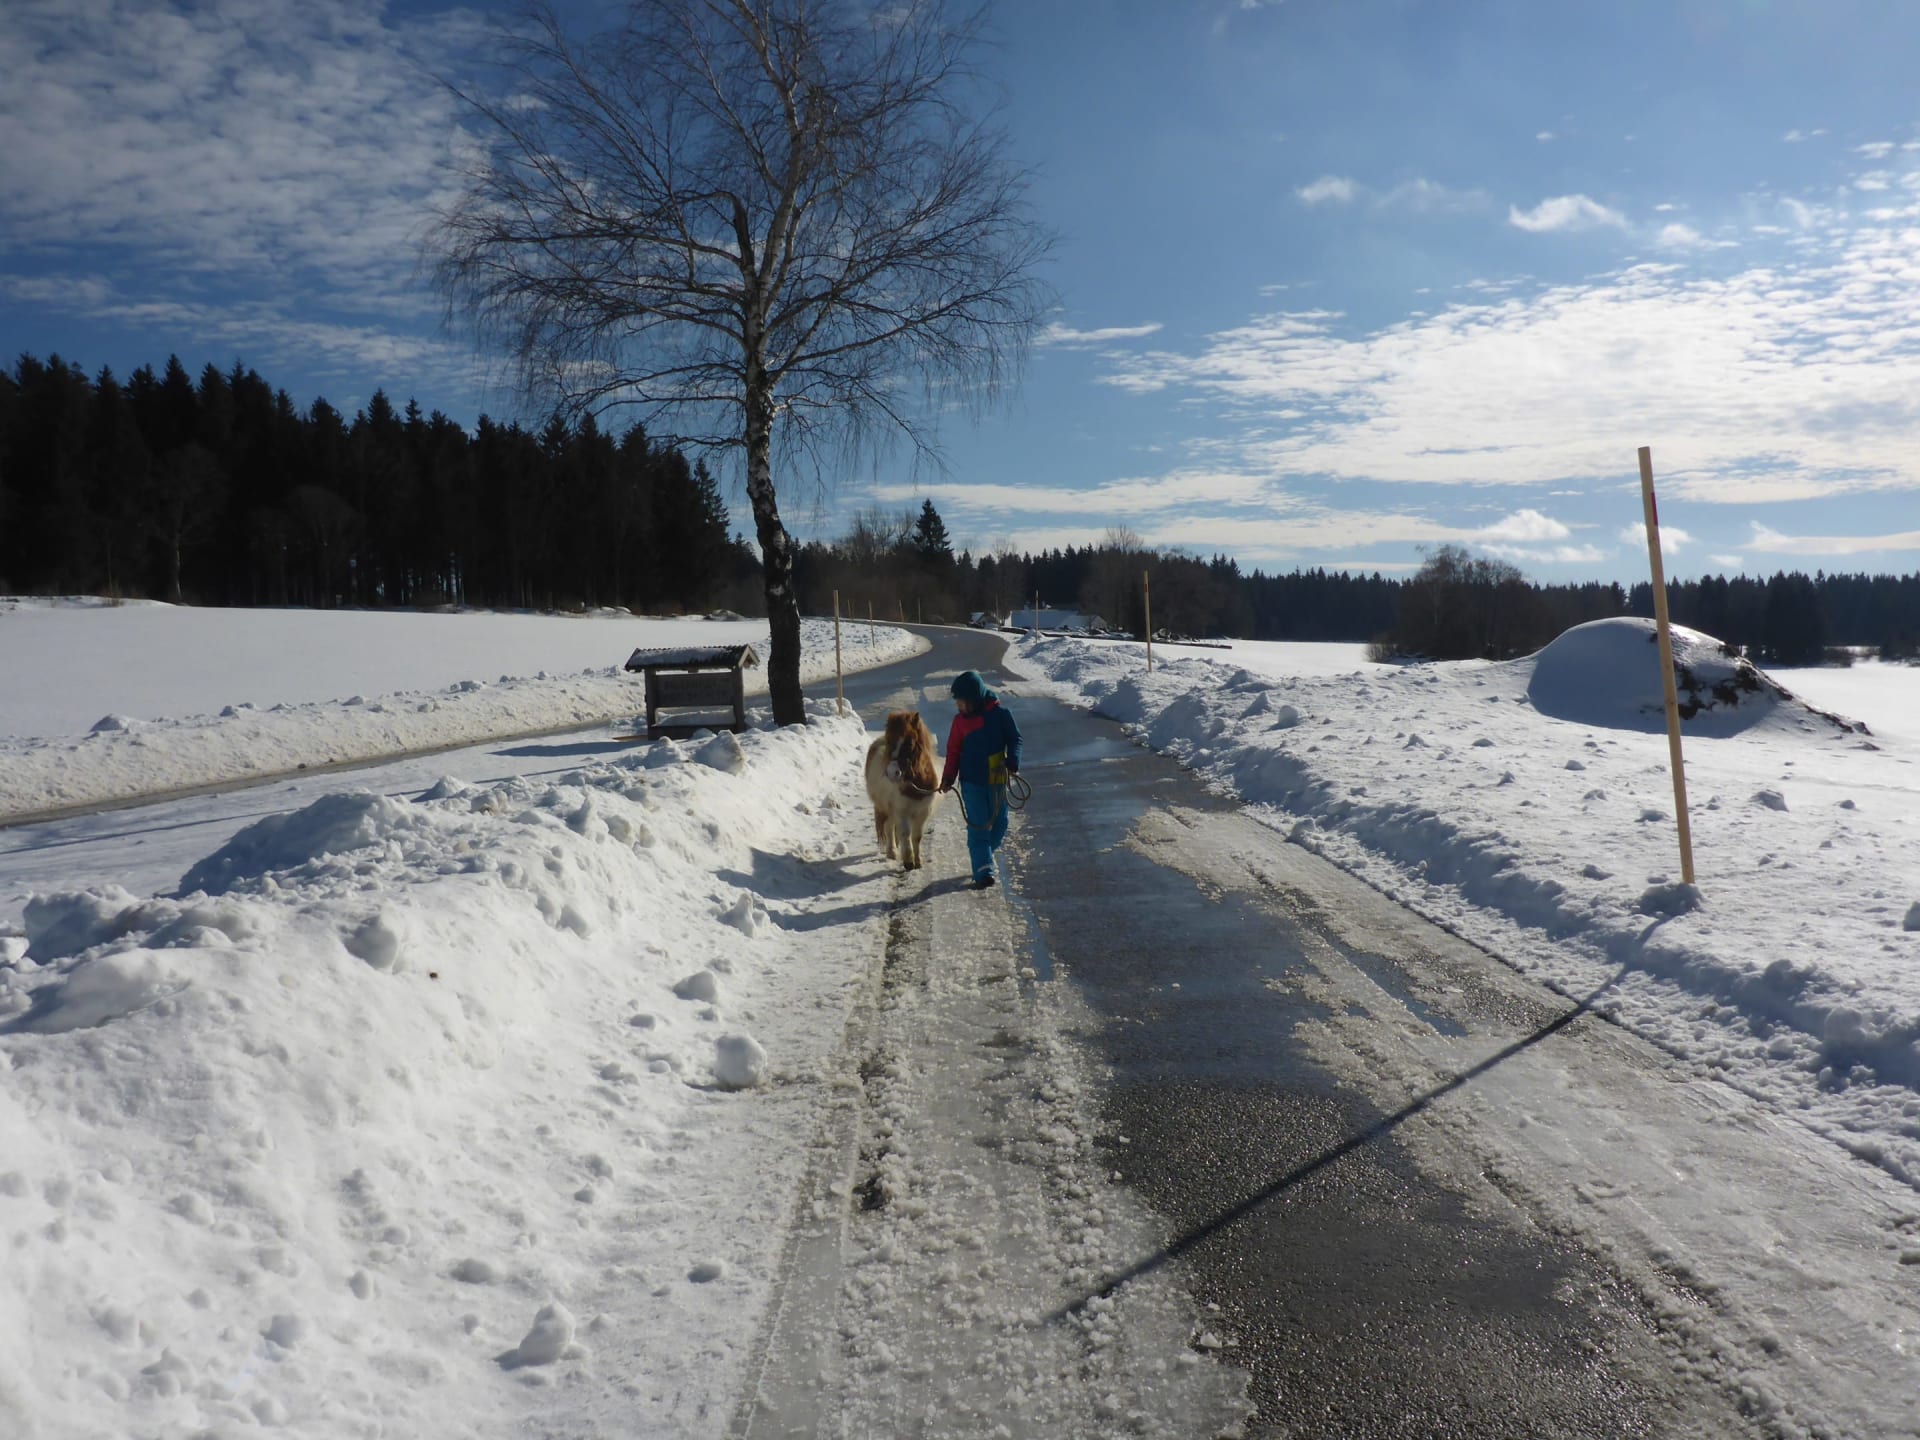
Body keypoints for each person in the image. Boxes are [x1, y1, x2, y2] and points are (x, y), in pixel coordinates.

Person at [938, 670, 1022, 889]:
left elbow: (1015, 739)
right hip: (971, 783)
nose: (959, 706)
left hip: (997, 780)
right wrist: (948, 776)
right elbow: (953, 751)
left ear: (975, 699)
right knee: (979, 826)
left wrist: (1013, 759)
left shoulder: (1001, 715)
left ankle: (983, 856)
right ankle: (984, 871)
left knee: (1001, 823)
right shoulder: (959, 722)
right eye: (957, 703)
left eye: (962, 702)